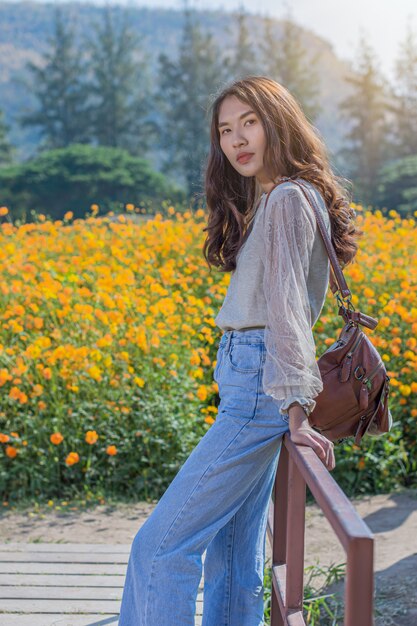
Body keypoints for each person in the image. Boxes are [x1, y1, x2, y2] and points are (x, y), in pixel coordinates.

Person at [118, 75, 360, 626]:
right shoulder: (281, 197)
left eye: (249, 122)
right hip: (254, 383)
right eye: (226, 130)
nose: (237, 139)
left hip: (259, 386)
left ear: (279, 121)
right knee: (232, 550)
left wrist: (296, 411)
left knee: (159, 548)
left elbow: (286, 313)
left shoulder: (286, 200)